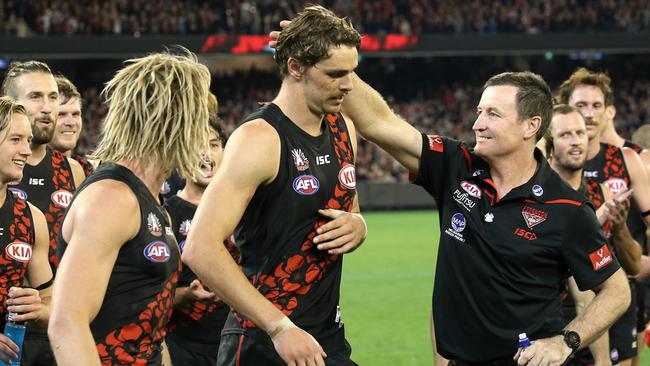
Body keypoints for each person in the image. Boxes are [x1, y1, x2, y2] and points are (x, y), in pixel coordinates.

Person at [182, 6, 367, 365]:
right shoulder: (258, 139)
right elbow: (200, 247)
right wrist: (280, 328)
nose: (349, 84)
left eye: (353, 72)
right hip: (262, 343)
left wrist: (358, 223)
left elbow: (348, 203)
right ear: (296, 67)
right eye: (336, 73)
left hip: (325, 339)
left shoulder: (345, 128)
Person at [47, 49, 212, 365]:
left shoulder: (149, 200)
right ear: (175, 121)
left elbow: (149, 318)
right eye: (197, 117)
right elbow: (67, 322)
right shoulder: (112, 198)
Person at [557, 68, 650, 366]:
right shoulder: (549, 162)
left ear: (608, 111)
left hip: (618, 287)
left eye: (596, 105)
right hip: (563, 296)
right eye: (581, 105)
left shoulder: (625, 159)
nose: (589, 113)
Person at [1, 60, 85, 366]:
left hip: (51, 322)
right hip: (12, 328)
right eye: (36, 97)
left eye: (53, 97)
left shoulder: (73, 172)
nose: (49, 107)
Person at [545, 104, 640, 366]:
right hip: (548, 319)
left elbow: (629, 266)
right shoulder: (539, 195)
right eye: (565, 135)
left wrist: (619, 229)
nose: (576, 141)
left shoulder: (602, 192)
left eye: (580, 133)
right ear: (550, 146)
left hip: (599, 315)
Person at [164, 93, 238, 365]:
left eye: (214, 144)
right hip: (184, 346)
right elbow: (144, 294)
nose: (207, 154)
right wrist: (187, 294)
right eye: (196, 146)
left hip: (243, 340)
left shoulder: (247, 210)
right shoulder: (164, 215)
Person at [0, 97, 53, 365]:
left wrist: (39, 310)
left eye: (28, 140)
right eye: (15, 139)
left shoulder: (31, 217)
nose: (26, 150)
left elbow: (50, 301)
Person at [50, 75, 94, 176]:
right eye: (61, 114)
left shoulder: (89, 173)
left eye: (75, 114)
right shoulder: (20, 170)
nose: (71, 122)